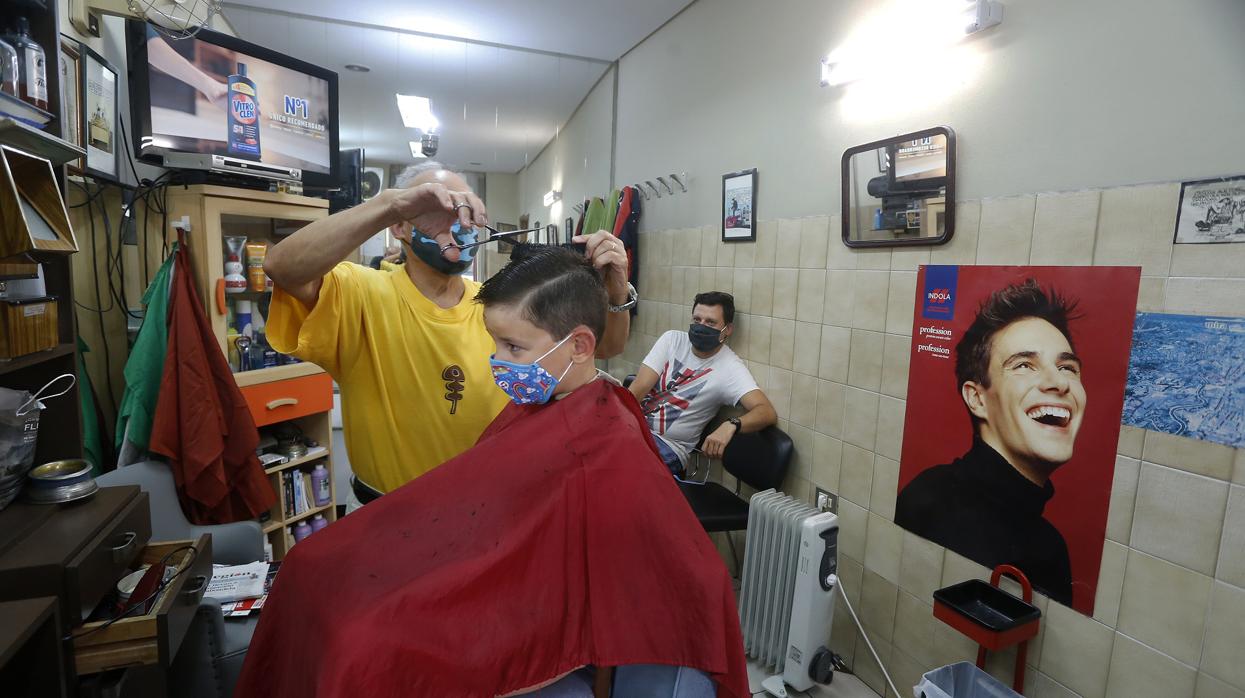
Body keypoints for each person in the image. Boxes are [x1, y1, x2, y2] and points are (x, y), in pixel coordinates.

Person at [236, 246, 748, 698]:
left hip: (532, 608)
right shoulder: (546, 402)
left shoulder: (606, 438)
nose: (497, 361)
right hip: (500, 578)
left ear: (579, 346)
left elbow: (651, 574)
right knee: (310, 569)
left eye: (513, 349)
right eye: (497, 344)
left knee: (360, 645)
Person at [264, 161, 635, 509]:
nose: (460, 225)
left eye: (467, 213)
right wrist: (391, 205)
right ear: (399, 227)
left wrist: (616, 292)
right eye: (441, 210)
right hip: (387, 514)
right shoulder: (359, 292)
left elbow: (604, 347)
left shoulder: (495, 304)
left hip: (484, 508)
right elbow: (281, 267)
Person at [895, 280, 1082, 604]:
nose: (1059, 382)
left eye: (1067, 367)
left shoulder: (1049, 544)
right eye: (1024, 365)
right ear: (977, 399)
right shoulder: (932, 500)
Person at [628, 291, 777, 476]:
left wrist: (731, 425)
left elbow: (766, 412)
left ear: (727, 330)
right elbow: (638, 388)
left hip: (669, 447)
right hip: (634, 431)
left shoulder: (729, 368)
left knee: (621, 471)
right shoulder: (672, 340)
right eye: (697, 320)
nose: (701, 326)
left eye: (710, 322)